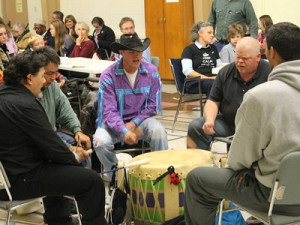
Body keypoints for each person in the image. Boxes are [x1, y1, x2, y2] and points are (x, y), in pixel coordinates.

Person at [184, 22, 300, 225]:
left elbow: (238, 162)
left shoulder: (262, 96)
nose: (240, 61)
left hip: (274, 197)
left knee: (197, 179)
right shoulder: (228, 74)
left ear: (269, 52)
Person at [0, 49, 107, 225]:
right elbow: (53, 148)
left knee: (59, 166)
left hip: (10, 175)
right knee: (92, 181)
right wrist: (75, 157)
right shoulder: (25, 105)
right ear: (29, 78)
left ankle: (58, 220)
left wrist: (74, 137)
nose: (44, 81)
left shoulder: (6, 93)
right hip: (17, 181)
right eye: (42, 75)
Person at [93, 33, 168, 179]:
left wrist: (134, 123)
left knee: (159, 131)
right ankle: (118, 179)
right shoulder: (108, 76)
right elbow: (108, 112)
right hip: (112, 123)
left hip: (140, 121)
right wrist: (123, 130)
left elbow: (153, 106)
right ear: (121, 53)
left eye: (139, 51)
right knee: (100, 142)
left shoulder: (151, 72)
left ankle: (160, 174)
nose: (137, 55)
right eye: (132, 52)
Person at [187, 37, 270, 150]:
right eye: (237, 57)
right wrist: (210, 120)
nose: (240, 62)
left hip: (258, 127)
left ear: (258, 57)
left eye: (245, 58)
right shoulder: (225, 72)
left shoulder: (270, 73)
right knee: (196, 126)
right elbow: (213, 101)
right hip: (229, 123)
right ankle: (201, 165)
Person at [181, 21, 221, 98]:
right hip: (195, 82)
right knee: (213, 84)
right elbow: (188, 71)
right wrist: (209, 78)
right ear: (200, 33)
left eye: (212, 33)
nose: (212, 35)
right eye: (209, 33)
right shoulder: (189, 49)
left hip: (213, 79)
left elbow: (219, 66)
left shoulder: (213, 48)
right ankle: (211, 109)